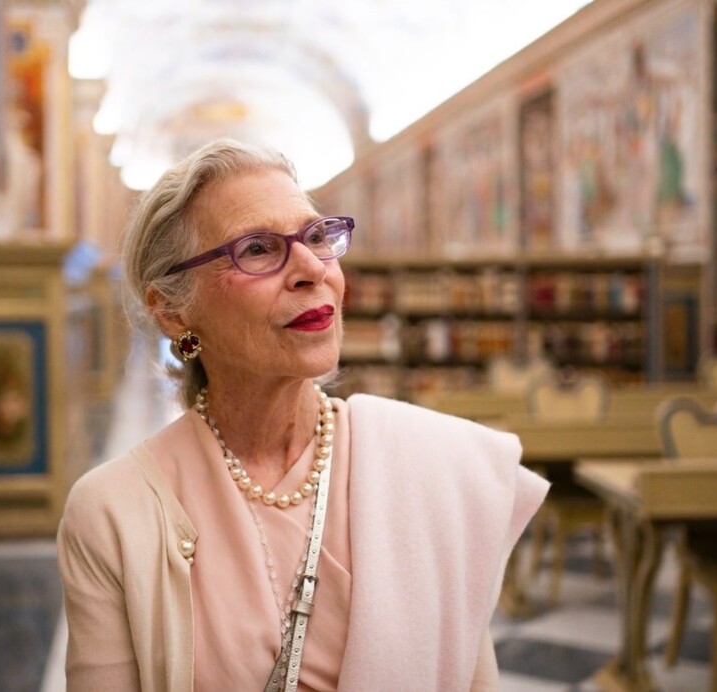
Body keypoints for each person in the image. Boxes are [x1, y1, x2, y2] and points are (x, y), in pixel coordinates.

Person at [57, 139, 548, 691]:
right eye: (259, 249)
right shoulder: (114, 514)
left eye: (317, 237)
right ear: (172, 311)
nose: (313, 268)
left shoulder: (429, 467)